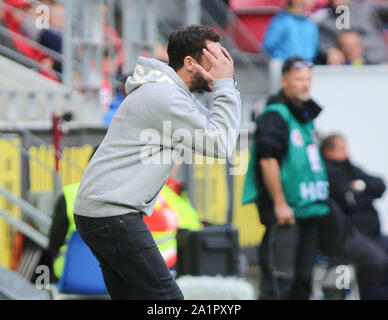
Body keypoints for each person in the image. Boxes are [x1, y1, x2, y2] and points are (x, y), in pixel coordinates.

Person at [73, 25, 241, 300]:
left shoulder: (167, 92)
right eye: (216, 57)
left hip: (103, 213)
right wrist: (224, 84)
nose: (223, 64)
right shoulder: (164, 96)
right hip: (112, 215)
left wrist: (224, 84)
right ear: (190, 63)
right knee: (168, 301)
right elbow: (220, 144)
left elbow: (218, 132)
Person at [242, 56, 342, 300]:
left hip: (309, 211)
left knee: (303, 282)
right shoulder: (275, 115)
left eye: (308, 79)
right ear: (284, 81)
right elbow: (267, 159)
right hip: (286, 214)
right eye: (299, 79)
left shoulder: (304, 117)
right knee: (280, 282)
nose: (305, 85)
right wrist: (279, 203)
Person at [321, 134, 388, 299]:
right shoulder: (326, 171)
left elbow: (379, 185)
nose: (347, 153)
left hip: (373, 234)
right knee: (377, 262)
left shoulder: (350, 167)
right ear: (328, 151)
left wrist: (360, 187)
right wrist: (364, 192)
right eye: (342, 148)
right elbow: (347, 197)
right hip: (348, 236)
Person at [312, 0, 388, 65]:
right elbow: (323, 44)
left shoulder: (366, 6)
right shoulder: (325, 20)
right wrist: (329, 50)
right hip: (346, 69)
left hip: (378, 63)